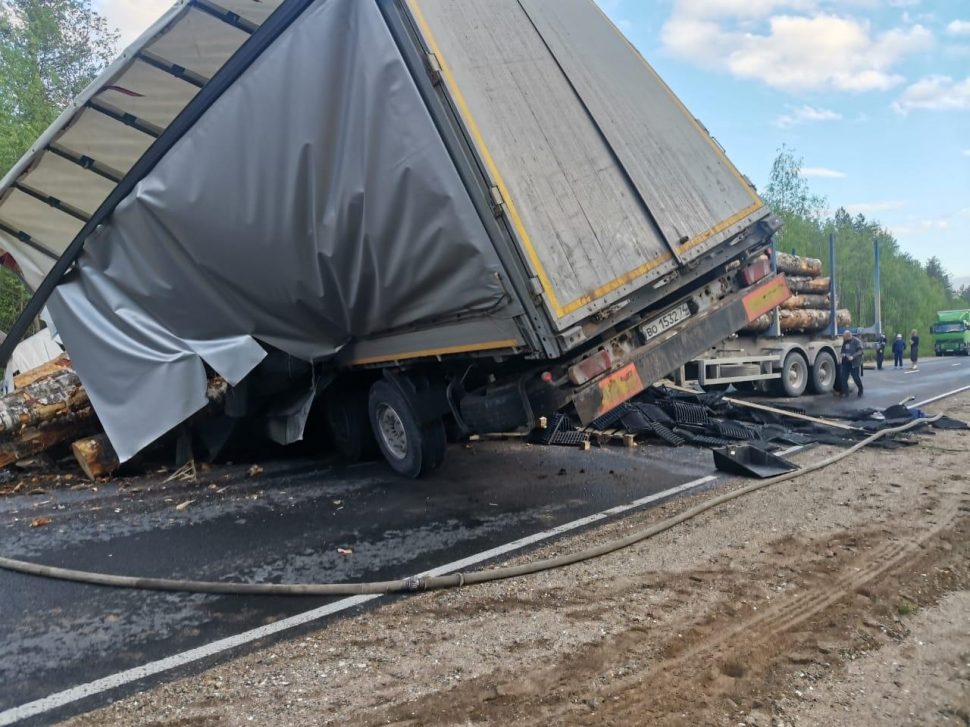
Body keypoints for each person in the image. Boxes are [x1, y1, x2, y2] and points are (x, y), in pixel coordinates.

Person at [839, 331, 864, 398]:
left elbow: (860, 351)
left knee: (856, 378)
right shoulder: (845, 341)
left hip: (854, 363)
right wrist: (842, 353)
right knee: (843, 378)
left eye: (845, 337)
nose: (844, 339)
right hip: (846, 362)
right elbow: (843, 349)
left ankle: (860, 390)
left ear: (849, 336)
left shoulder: (857, 341)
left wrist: (853, 356)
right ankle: (846, 393)